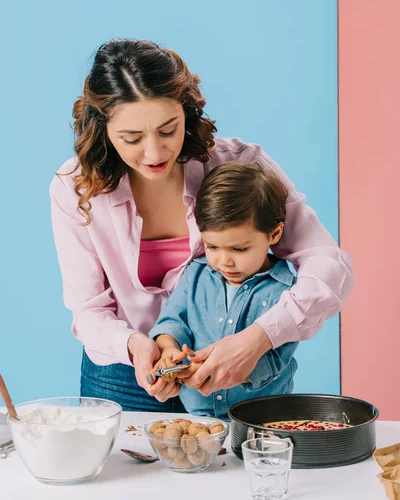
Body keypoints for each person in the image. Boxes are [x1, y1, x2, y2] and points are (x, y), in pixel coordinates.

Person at [50, 38, 354, 411]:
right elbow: (89, 310)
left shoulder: (240, 164)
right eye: (131, 138)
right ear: (102, 129)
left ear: (186, 112)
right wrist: (138, 347)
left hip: (242, 375)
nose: (154, 152)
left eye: (168, 130)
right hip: (123, 375)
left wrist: (259, 338)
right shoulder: (75, 188)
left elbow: (328, 265)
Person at [148, 161, 298, 418]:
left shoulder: (287, 293)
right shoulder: (195, 273)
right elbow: (173, 320)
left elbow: (276, 360)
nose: (224, 261)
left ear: (274, 233)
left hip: (264, 419)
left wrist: (220, 367)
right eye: (212, 247)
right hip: (198, 417)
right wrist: (169, 350)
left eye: (239, 249)